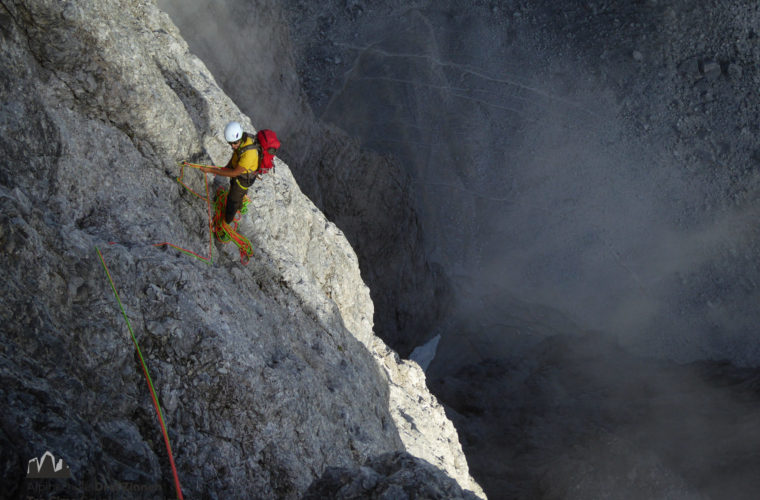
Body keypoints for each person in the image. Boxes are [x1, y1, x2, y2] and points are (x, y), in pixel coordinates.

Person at [200, 121, 259, 227]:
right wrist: (226, 167)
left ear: (239, 139)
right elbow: (236, 156)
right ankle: (239, 207)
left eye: (234, 143)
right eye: (230, 143)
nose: (233, 146)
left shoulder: (248, 154)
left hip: (243, 179)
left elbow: (234, 173)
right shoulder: (241, 141)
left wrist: (210, 170)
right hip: (243, 175)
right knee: (237, 193)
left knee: (232, 201)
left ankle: (225, 223)